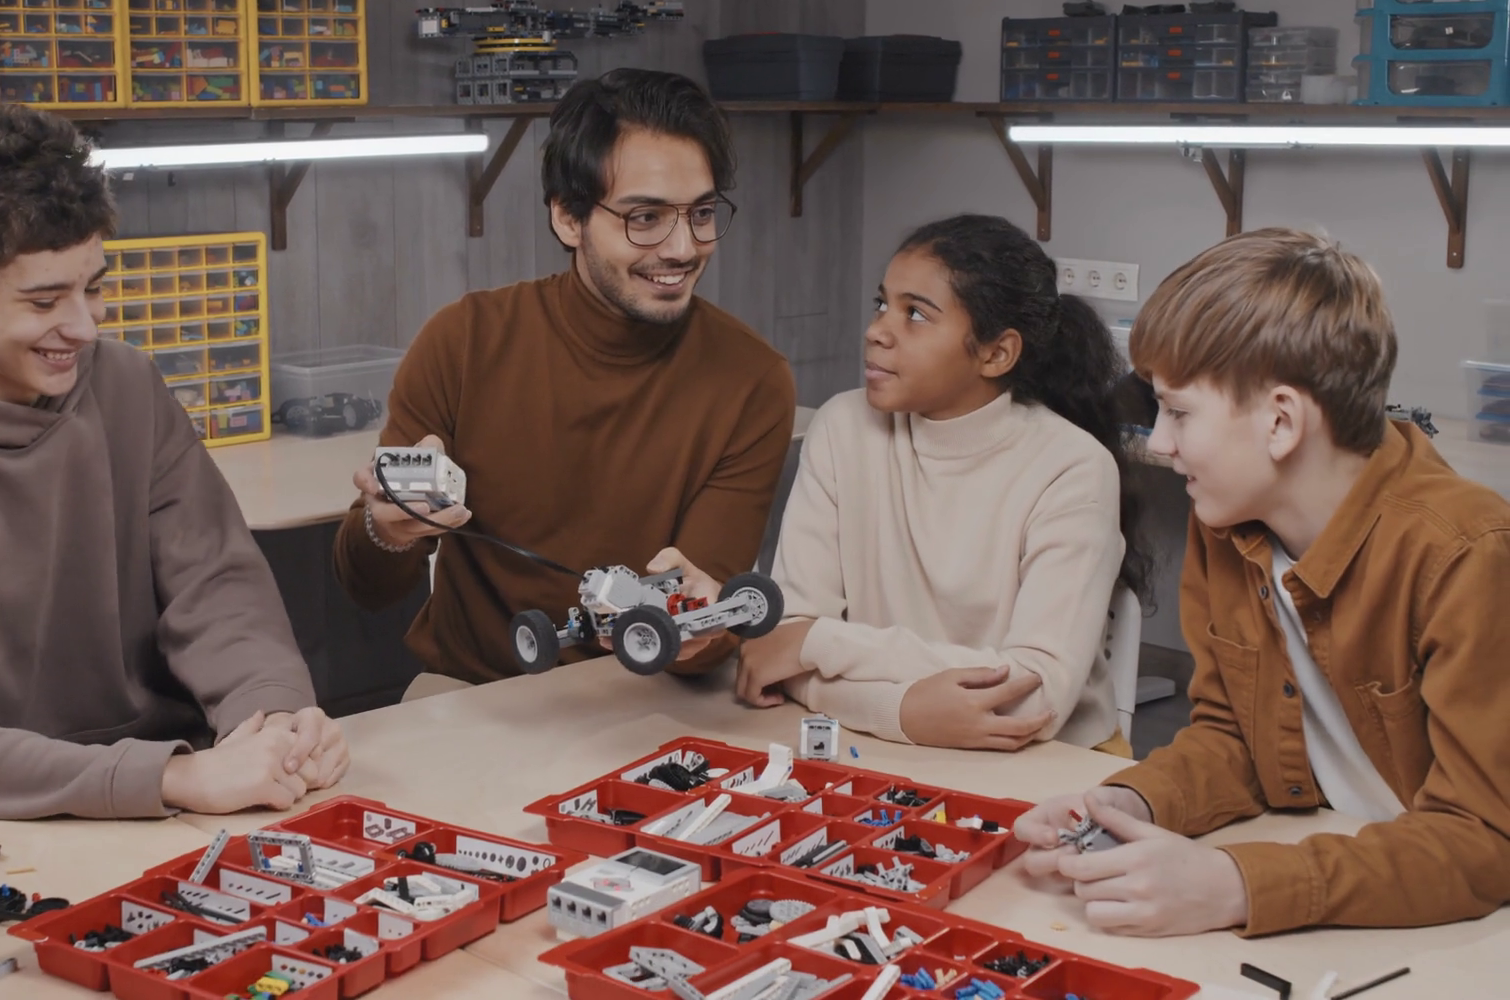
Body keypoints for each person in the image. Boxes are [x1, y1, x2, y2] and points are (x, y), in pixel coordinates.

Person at [0, 105, 346, 829]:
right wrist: (173, 776)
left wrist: (272, 716)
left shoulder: (126, 385)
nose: (83, 326)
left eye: (92, 288)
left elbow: (217, 586)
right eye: (43, 300)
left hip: (160, 790)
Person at [1014, 229, 1510, 937]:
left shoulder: (1466, 553)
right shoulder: (1227, 520)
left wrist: (1238, 885)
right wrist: (1134, 803)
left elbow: (1484, 841)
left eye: (1179, 412)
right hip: (1346, 880)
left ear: (1281, 421)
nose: (1160, 442)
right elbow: (1236, 740)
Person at [332, 69, 798, 687]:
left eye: (702, 213)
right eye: (645, 217)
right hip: (476, 693)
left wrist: (701, 627)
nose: (684, 248)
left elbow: (709, 623)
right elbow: (366, 587)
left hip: (653, 695)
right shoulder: (464, 343)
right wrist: (386, 530)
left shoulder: (752, 381)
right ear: (568, 218)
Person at [734, 215, 1146, 753]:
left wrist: (819, 645)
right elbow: (779, 652)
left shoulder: (1073, 467)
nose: (877, 330)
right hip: (883, 745)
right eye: (881, 303)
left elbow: (1034, 698)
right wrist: (901, 711)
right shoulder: (843, 426)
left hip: (1053, 761)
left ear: (996, 354)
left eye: (915, 314)